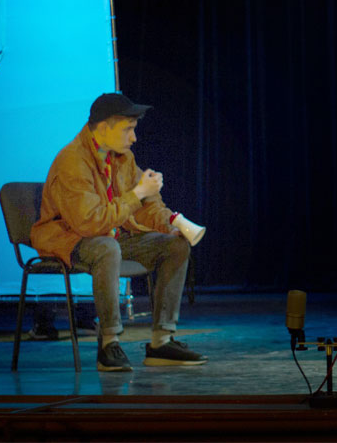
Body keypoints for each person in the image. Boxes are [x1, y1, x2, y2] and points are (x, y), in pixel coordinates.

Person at [31, 93, 207, 372]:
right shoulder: (72, 161)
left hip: (109, 235)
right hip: (70, 238)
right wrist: (138, 194)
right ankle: (109, 343)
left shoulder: (122, 157)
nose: (134, 137)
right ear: (103, 128)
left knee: (174, 246)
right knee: (107, 247)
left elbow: (146, 205)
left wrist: (170, 224)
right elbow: (89, 224)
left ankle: (161, 342)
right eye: (128, 129)